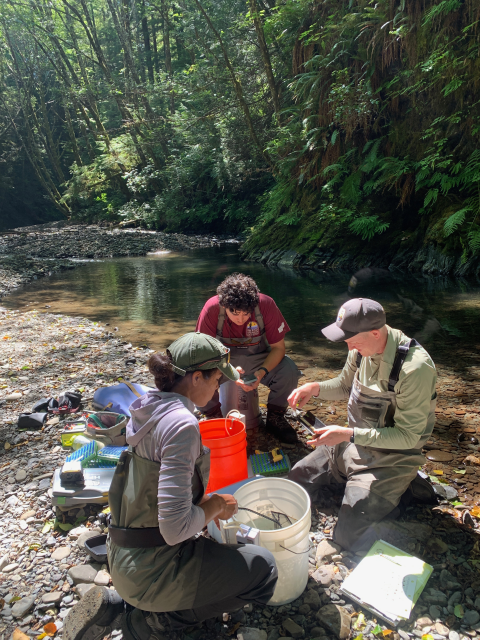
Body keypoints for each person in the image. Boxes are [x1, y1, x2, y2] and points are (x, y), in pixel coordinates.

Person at [65, 332, 278, 640]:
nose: (219, 387)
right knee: (264, 569)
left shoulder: (148, 406)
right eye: (217, 379)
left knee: (219, 550)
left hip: (124, 555)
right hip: (150, 572)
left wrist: (203, 507)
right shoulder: (181, 425)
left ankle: (139, 604)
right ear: (194, 378)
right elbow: (175, 530)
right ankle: (147, 623)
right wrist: (215, 505)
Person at [287, 298, 437, 553]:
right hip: (352, 443)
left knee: (348, 536)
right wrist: (314, 388)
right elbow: (345, 386)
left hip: (392, 458)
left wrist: (348, 433)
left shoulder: (414, 368)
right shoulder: (359, 349)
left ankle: (404, 491)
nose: (348, 345)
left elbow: (408, 437)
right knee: (296, 479)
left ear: (376, 333)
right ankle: (360, 484)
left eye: (352, 340)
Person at [196, 273, 300, 443]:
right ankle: (214, 416)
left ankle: (275, 417)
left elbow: (278, 348)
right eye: (234, 313)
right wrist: (229, 370)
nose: (241, 319)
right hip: (221, 361)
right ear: (224, 305)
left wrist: (261, 372)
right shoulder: (212, 308)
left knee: (289, 369)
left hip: (258, 358)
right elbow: (203, 353)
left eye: (246, 314)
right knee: (195, 373)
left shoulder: (266, 305)